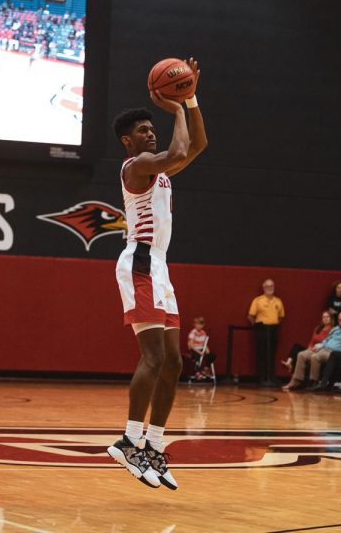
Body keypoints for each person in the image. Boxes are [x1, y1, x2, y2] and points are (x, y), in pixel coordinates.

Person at [106, 58, 206, 490]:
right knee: (153, 357)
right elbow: (181, 150)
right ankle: (128, 441)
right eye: (143, 131)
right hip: (141, 261)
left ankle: (155, 446)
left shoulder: (160, 165)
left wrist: (193, 99)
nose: (151, 132)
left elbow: (196, 147)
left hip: (160, 266)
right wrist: (177, 109)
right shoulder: (136, 167)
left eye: (153, 128)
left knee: (175, 362)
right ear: (128, 142)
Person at [283, 311, 341, 391]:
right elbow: (327, 339)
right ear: (338, 320)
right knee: (301, 354)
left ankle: (314, 381)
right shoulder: (335, 329)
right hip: (324, 348)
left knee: (315, 357)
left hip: (334, 353)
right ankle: (297, 380)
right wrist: (320, 345)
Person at [247, 279, 285, 387]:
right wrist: (257, 327)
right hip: (262, 329)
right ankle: (261, 377)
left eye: (272, 286)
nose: (270, 288)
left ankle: (271, 376)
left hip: (273, 329)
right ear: (264, 288)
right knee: (262, 353)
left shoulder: (278, 301)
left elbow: (281, 317)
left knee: (272, 353)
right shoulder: (258, 300)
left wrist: (274, 323)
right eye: (268, 286)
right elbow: (250, 316)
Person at [184, 316, 215, 381]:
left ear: (203, 325)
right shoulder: (193, 332)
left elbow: (205, 345)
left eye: (200, 324)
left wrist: (208, 352)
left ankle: (205, 370)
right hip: (194, 350)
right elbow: (191, 345)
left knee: (211, 355)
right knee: (197, 356)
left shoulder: (203, 333)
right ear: (194, 325)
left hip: (201, 349)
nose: (198, 326)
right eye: (197, 324)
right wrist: (199, 352)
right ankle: (197, 372)